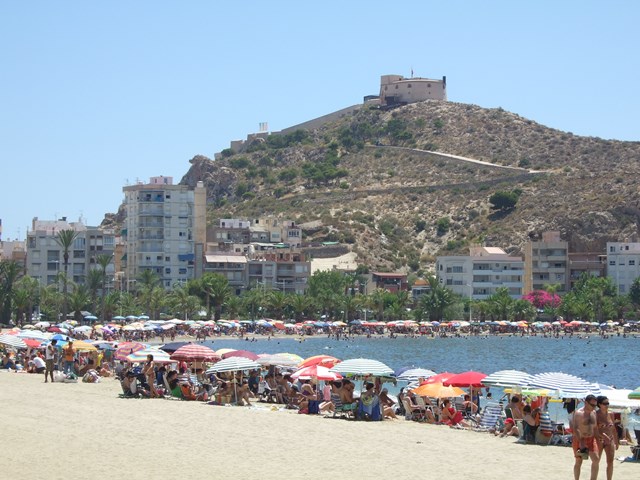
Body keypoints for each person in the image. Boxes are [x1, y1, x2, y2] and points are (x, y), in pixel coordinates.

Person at [571, 394, 600, 480]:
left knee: (596, 459)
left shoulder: (594, 413)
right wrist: (581, 441)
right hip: (580, 439)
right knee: (579, 461)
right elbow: (575, 428)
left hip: (591, 439)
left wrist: (598, 439)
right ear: (586, 403)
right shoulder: (579, 413)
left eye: (595, 405)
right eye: (592, 405)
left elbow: (595, 427)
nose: (594, 407)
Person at [595, 396, 618, 480]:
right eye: (605, 403)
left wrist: (616, 441)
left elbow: (613, 428)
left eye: (608, 403)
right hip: (599, 439)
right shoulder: (595, 414)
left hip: (610, 439)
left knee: (610, 462)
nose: (607, 405)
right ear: (599, 404)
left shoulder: (611, 414)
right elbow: (594, 429)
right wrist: (603, 436)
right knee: (596, 461)